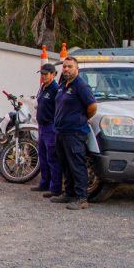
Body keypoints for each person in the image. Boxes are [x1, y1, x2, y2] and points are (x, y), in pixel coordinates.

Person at [51, 56, 98, 210]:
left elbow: (92, 107)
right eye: (64, 66)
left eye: (70, 66)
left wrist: (82, 119)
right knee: (65, 165)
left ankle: (81, 197)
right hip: (61, 131)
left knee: (77, 165)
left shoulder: (81, 86)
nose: (66, 69)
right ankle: (69, 193)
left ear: (76, 68)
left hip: (75, 132)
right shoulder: (63, 84)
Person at [31, 63, 62, 198]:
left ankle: (55, 187)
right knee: (42, 156)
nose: (43, 76)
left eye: (46, 74)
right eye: (42, 74)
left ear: (53, 74)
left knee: (52, 158)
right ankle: (44, 183)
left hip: (51, 126)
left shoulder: (55, 89)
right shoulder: (43, 88)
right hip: (42, 126)